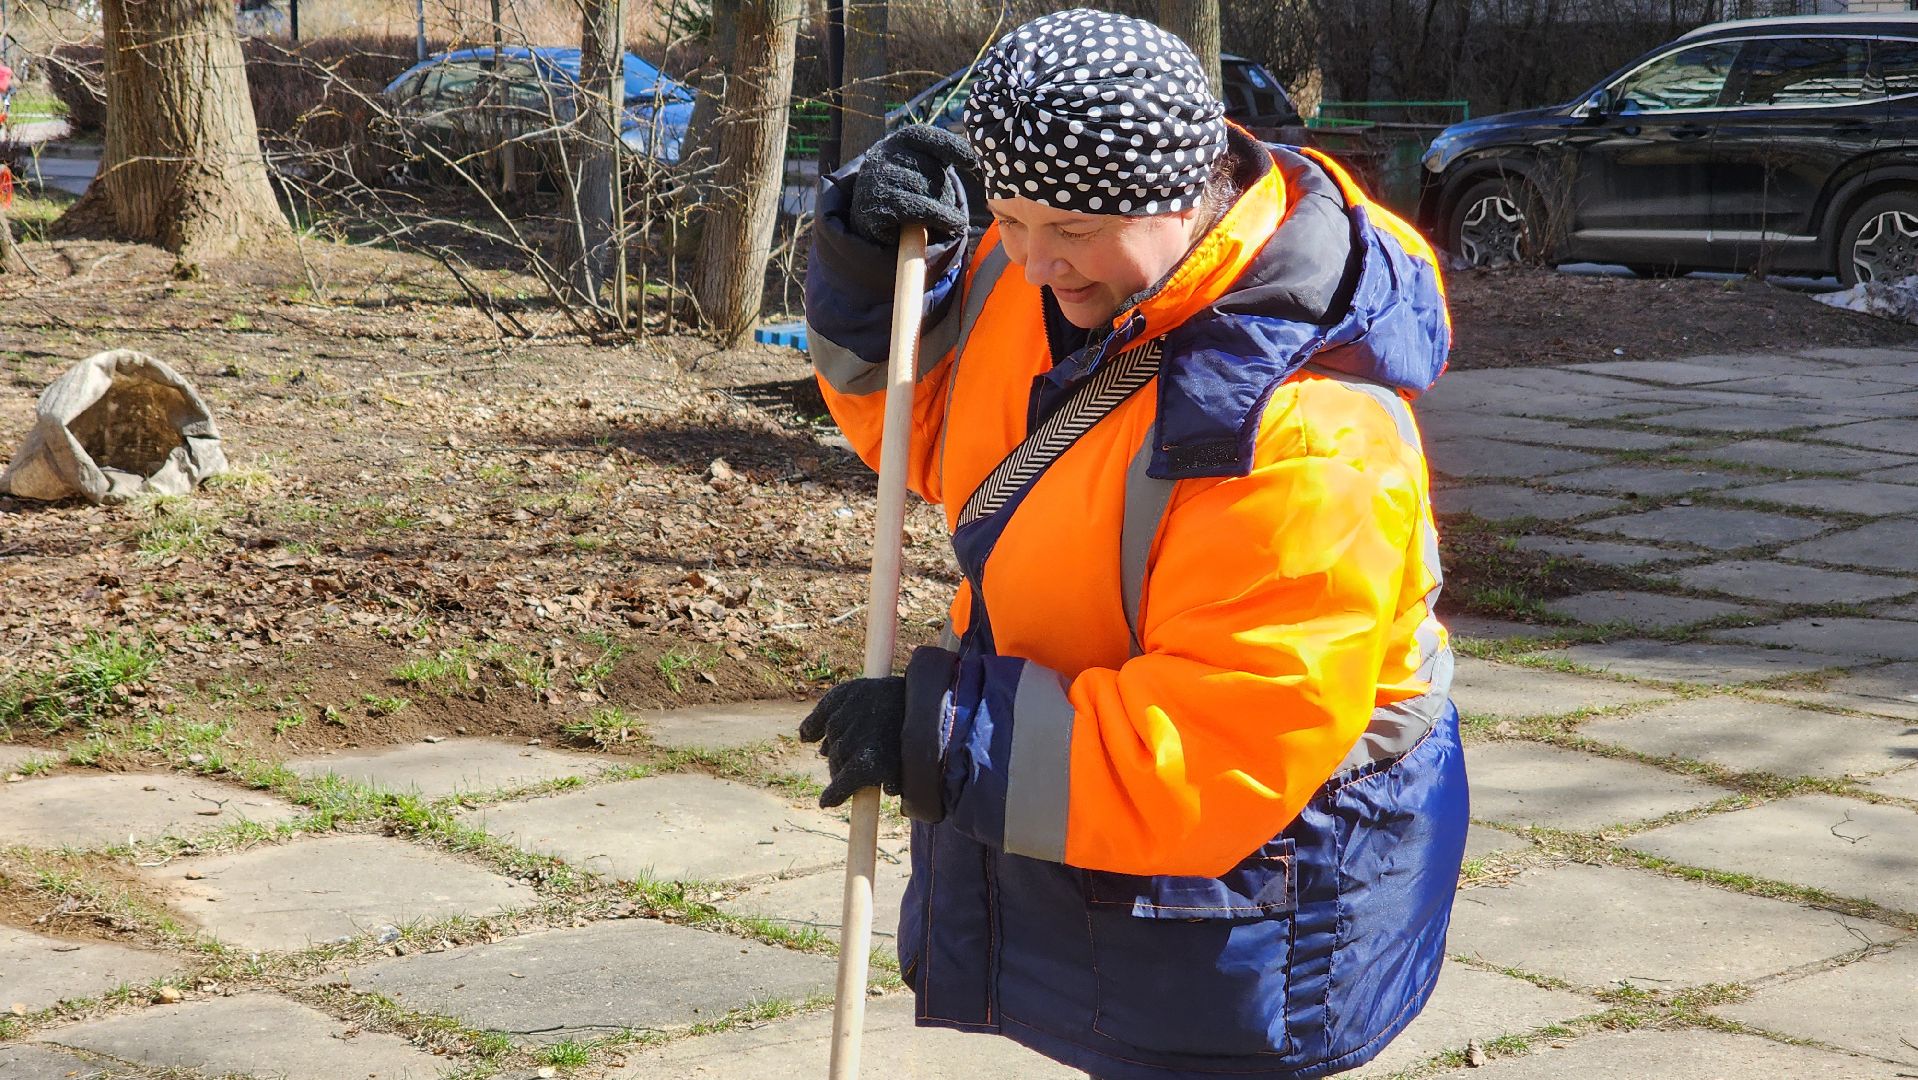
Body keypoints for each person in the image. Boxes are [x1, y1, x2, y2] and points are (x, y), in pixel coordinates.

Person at [800, 10, 1467, 1079]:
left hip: (1260, 892)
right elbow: (921, 443)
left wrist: (942, 733)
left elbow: (1223, 744)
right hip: (1113, 850)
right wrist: (870, 267)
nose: (1027, 260)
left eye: (1065, 229)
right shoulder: (1047, 284)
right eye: (1006, 217)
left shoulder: (1306, 435)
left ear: (1179, 195)